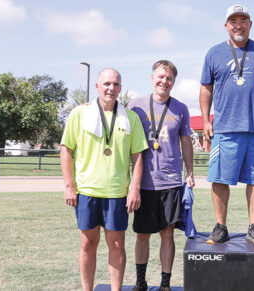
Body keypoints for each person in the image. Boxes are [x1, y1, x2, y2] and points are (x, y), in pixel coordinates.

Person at [199, 4, 254, 245]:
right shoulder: (214, 53)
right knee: (219, 179)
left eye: (243, 20)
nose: (238, 25)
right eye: (233, 21)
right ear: (226, 25)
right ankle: (220, 226)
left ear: (250, 24)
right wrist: (205, 120)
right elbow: (206, 88)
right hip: (225, 128)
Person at [60, 68, 148, 291]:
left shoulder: (131, 118)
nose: (111, 88)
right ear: (97, 86)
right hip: (87, 191)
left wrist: (134, 189)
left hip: (117, 193)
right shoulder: (79, 113)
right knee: (88, 243)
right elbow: (66, 150)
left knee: (117, 244)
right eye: (107, 83)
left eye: (116, 84)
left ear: (121, 88)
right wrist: (70, 186)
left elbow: (138, 156)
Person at [128, 60, 195, 291]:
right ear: (152, 77)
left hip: (171, 181)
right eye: (160, 76)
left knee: (168, 235)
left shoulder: (181, 108)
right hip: (143, 183)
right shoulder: (135, 105)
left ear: (173, 82)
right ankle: (140, 282)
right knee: (143, 234)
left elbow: (186, 142)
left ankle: (165, 284)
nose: (164, 81)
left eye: (169, 78)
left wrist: (191, 172)